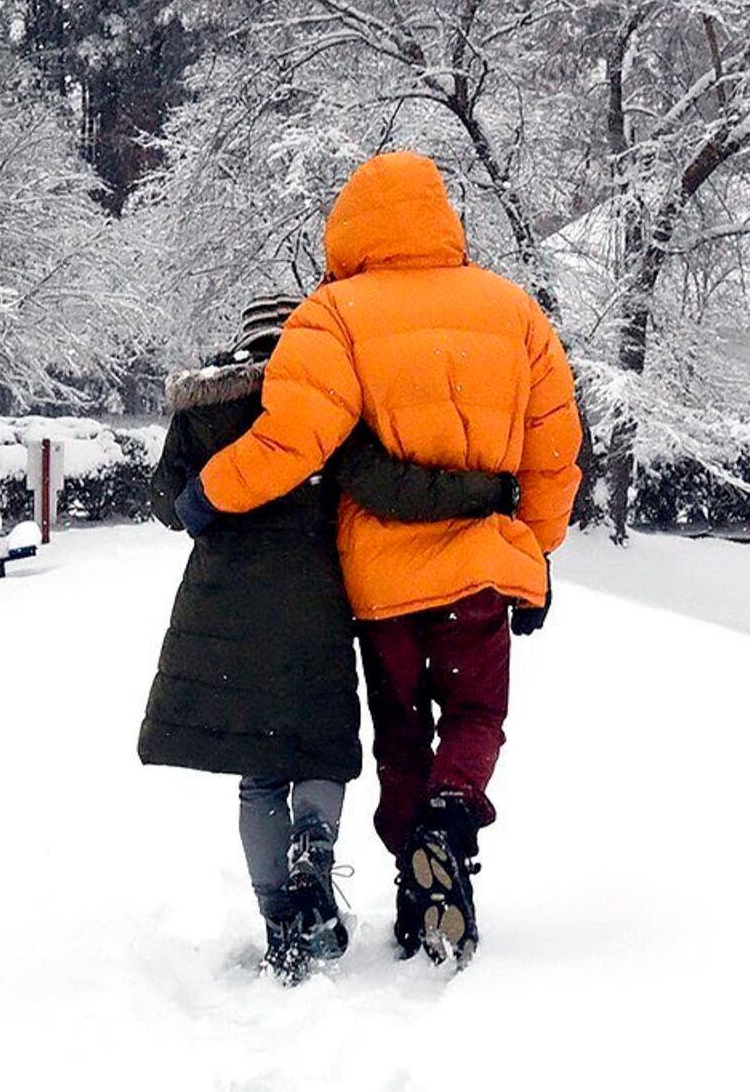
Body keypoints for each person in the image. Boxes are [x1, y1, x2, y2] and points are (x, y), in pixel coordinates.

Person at [173, 152, 580, 967]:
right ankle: (449, 823)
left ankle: (410, 872)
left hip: (381, 581)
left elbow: (292, 439)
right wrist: (535, 554)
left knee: (401, 731)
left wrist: (207, 494)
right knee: (474, 717)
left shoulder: (335, 312)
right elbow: (555, 452)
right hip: (480, 570)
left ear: (352, 223)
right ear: (442, 217)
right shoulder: (516, 312)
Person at [141, 293, 516, 982]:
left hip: (225, 619)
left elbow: (167, 503)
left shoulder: (201, 406)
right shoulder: (324, 404)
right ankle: (314, 850)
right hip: (317, 607)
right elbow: (389, 487)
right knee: (319, 748)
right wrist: (483, 491)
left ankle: (282, 921)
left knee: (259, 775)